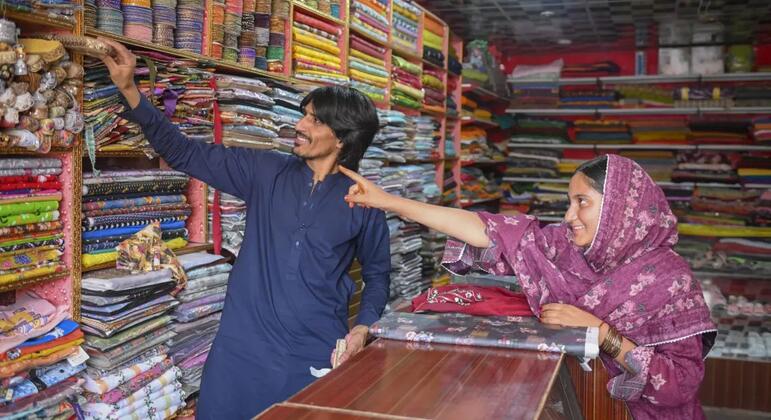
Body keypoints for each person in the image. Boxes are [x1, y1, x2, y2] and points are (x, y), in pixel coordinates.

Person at [99, 38, 392, 418]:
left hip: (311, 355)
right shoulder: (265, 172)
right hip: (240, 351)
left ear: (342, 137)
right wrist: (129, 89)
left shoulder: (365, 201)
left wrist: (363, 327)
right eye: (304, 114)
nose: (299, 125)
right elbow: (183, 152)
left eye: (315, 120)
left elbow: (378, 274)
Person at [340, 154, 716, 419]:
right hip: (578, 405)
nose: (569, 216)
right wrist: (388, 201)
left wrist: (602, 334)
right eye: (569, 202)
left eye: (582, 202)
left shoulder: (671, 281)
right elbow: (488, 230)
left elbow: (680, 384)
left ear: (620, 208)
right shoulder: (565, 249)